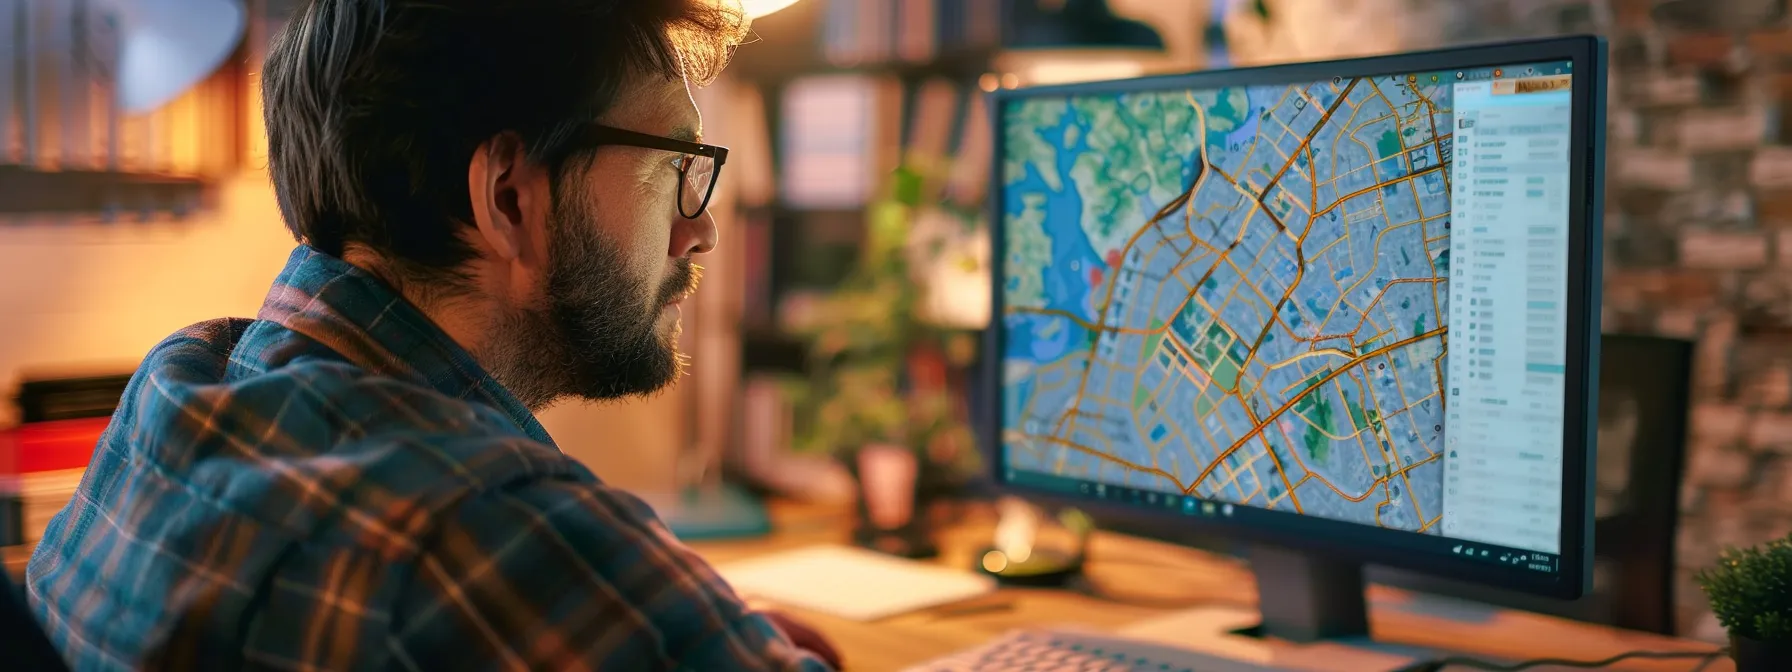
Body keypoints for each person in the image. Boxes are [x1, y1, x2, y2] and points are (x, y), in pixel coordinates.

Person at [24, 0, 842, 669]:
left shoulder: (178, 386)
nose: (699, 232)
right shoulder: (493, 531)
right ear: (509, 198)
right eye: (675, 166)